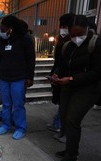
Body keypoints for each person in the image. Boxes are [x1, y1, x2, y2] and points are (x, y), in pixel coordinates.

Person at [52, 15, 101, 161]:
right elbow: (63, 64)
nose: (75, 38)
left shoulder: (96, 43)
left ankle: (72, 156)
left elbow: (97, 72)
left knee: (73, 119)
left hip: (87, 89)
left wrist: (72, 79)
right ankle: (69, 149)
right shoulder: (68, 45)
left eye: (79, 35)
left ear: (87, 29)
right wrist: (57, 74)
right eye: (72, 35)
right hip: (68, 86)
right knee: (66, 117)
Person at [0, 15, 35, 140]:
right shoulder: (3, 40)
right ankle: (6, 125)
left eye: (4, 29)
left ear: (11, 28)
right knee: (6, 104)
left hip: (19, 78)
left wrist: (29, 77)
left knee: (18, 104)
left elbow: (31, 59)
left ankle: (21, 128)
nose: (2, 31)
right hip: (4, 78)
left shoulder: (25, 38)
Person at [47, 13, 75, 142]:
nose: (62, 29)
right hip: (59, 75)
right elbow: (59, 61)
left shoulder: (75, 43)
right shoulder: (61, 41)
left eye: (65, 26)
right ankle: (58, 124)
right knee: (62, 103)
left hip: (71, 79)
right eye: (61, 26)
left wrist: (69, 78)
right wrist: (55, 73)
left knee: (68, 106)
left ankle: (64, 130)